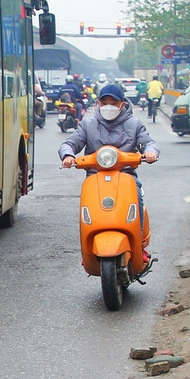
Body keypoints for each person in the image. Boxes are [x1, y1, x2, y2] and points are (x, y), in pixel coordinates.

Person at [59, 84, 160, 254]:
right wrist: (68, 155)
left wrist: (150, 152)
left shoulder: (134, 124)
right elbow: (69, 143)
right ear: (98, 103)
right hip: (95, 176)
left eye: (113, 103)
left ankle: (139, 245)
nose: (109, 106)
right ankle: (87, 248)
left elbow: (149, 143)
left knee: (137, 197)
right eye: (104, 102)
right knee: (88, 210)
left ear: (122, 104)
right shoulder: (88, 124)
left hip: (125, 175)